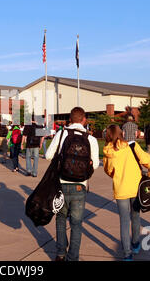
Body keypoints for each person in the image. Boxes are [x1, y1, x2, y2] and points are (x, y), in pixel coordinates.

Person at [45, 107, 99, 261]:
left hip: (61, 183)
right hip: (79, 185)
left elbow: (48, 155)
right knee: (76, 223)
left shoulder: (61, 134)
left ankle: (60, 253)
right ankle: (73, 257)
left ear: (70, 119)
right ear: (84, 120)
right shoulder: (91, 139)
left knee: (61, 219)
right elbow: (95, 165)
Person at [103, 124, 150, 261]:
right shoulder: (132, 146)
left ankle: (127, 253)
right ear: (121, 134)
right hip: (136, 186)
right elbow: (147, 161)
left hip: (120, 188)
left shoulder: (107, 151)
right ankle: (136, 243)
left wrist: (116, 174)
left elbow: (108, 170)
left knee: (124, 221)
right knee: (135, 216)